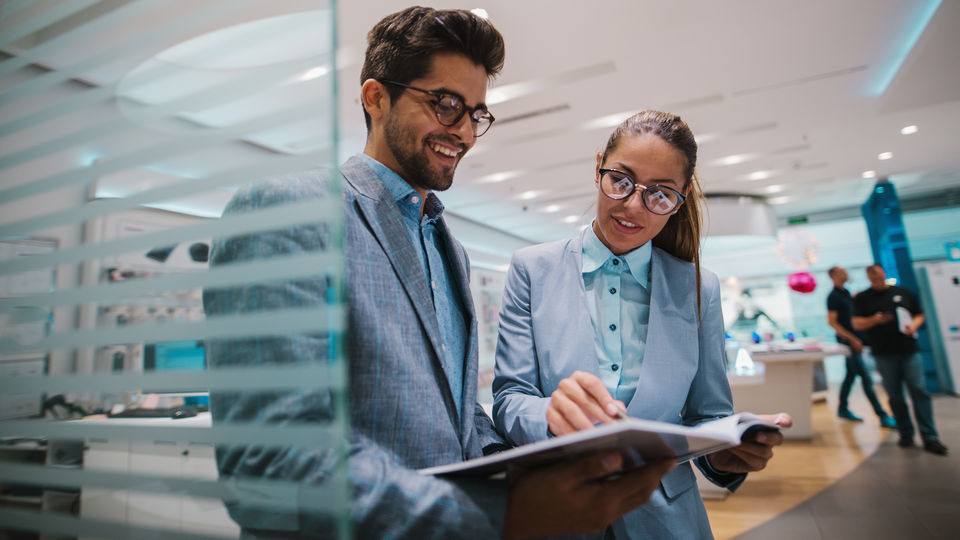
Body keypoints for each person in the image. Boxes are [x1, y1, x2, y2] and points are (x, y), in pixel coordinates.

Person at [203, 7, 673, 539]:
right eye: (447, 105)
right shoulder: (290, 212)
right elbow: (273, 467)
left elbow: (455, 415)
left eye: (476, 113)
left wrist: (532, 468)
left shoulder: (448, 245)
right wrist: (503, 515)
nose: (465, 133)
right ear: (376, 97)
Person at [492, 110, 792, 539]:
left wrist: (721, 453)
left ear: (681, 198)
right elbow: (510, 397)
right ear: (599, 166)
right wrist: (554, 418)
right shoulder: (532, 269)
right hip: (557, 508)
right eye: (621, 180)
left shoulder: (697, 287)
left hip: (667, 518)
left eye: (660, 195)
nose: (633, 206)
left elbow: (709, 414)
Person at [852, 264, 948, 456]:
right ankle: (906, 433)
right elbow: (856, 323)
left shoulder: (902, 292)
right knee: (895, 395)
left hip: (908, 350)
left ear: (884, 275)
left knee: (919, 390)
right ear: (869, 278)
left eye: (879, 276)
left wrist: (913, 325)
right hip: (883, 353)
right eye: (873, 278)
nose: (877, 280)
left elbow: (919, 314)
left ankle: (930, 436)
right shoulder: (863, 298)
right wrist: (874, 320)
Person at [826, 266, 897, 427]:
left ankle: (842, 408)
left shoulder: (848, 294)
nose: (845, 273)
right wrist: (851, 339)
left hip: (858, 340)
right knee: (866, 378)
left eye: (845, 271)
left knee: (851, 376)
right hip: (849, 343)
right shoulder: (833, 296)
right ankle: (882, 415)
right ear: (833, 276)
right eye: (841, 272)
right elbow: (832, 322)